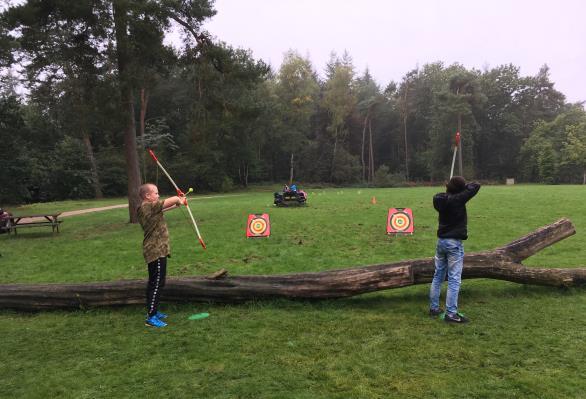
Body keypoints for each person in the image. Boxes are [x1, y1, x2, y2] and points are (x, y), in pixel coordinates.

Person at [429, 176, 481, 323]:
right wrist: (461, 189)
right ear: (460, 189)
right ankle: (451, 314)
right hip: (453, 244)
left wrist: (451, 187)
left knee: (438, 275)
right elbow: (476, 185)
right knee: (454, 279)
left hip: (441, 242)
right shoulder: (458, 199)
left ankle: (434, 308)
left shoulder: (441, 199)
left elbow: (442, 195)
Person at [137, 183, 184, 328]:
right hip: (155, 251)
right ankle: (151, 317)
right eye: (156, 193)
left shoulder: (149, 208)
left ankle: (153, 311)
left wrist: (177, 204)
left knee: (155, 282)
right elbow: (171, 200)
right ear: (147, 196)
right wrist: (178, 198)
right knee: (157, 284)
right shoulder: (147, 206)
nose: (158, 196)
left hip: (157, 250)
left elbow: (164, 208)